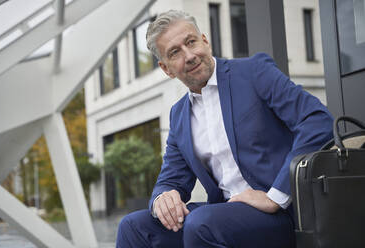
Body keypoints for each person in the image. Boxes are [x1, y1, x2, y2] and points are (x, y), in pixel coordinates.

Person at [116, 10, 333, 248]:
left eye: (191, 42)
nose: (189, 56)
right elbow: (172, 178)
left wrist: (275, 197)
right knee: (133, 227)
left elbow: (317, 120)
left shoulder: (254, 72)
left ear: (205, 41)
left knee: (201, 224)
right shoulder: (179, 115)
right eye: (175, 52)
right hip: (223, 213)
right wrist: (163, 197)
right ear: (166, 69)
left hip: (279, 215)